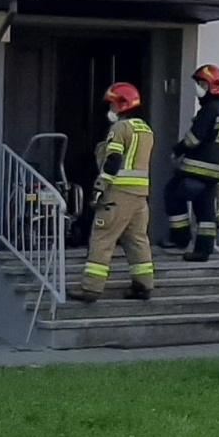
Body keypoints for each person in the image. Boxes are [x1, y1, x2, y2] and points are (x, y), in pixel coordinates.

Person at [67, 83, 155, 303]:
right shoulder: (146, 129)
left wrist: (99, 188)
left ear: (121, 104)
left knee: (102, 238)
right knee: (137, 240)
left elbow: (113, 160)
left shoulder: (120, 128)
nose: (110, 109)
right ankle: (143, 286)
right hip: (140, 196)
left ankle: (91, 288)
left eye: (112, 104)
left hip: (118, 194)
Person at [161, 64, 219, 261]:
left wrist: (177, 149)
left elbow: (194, 139)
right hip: (214, 174)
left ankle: (180, 238)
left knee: (172, 194)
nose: (198, 88)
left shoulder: (209, 110)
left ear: (210, 87)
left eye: (201, 84)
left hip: (195, 171)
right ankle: (203, 250)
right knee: (205, 212)